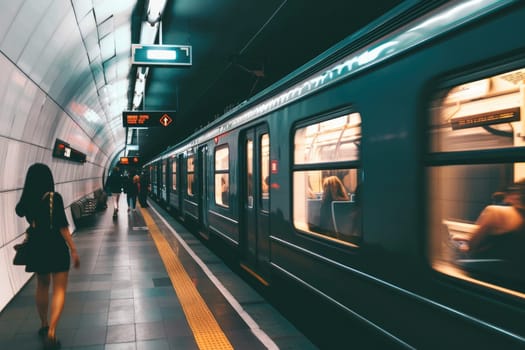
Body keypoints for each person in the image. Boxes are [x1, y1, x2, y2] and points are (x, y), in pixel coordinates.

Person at [15, 163, 80, 349]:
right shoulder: (54, 197)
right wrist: (74, 249)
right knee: (59, 289)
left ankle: (43, 324)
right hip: (56, 248)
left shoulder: (27, 199)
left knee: (42, 285)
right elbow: (63, 227)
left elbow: (19, 211)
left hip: (38, 248)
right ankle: (52, 331)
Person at [461, 181, 525, 267]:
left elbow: (472, 246)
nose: (506, 199)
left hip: (483, 268)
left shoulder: (496, 211)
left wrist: (464, 246)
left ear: (519, 194)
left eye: (513, 191)